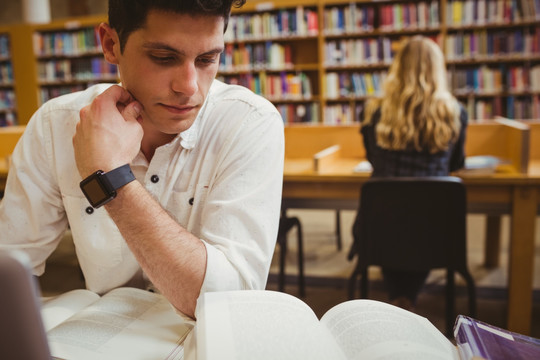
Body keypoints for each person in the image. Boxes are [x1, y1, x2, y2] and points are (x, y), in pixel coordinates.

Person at [0, 0, 285, 319]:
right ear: (110, 44)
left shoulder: (249, 122)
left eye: (207, 59)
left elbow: (230, 303)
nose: (189, 87)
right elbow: (8, 261)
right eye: (164, 58)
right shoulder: (55, 125)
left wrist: (110, 178)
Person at [350, 36, 468, 311]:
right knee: (421, 223)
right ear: (438, 69)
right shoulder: (455, 113)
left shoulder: (374, 111)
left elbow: (372, 158)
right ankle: (407, 297)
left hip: (379, 230)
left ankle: (400, 297)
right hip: (435, 232)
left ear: (397, 67)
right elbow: (456, 163)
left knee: (396, 221)